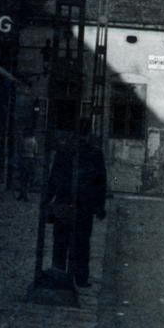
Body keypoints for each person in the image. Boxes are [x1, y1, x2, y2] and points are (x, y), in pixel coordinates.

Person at [43, 118, 108, 288]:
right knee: (82, 243)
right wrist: (100, 206)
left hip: (64, 202)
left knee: (60, 241)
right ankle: (80, 278)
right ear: (88, 133)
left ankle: (58, 274)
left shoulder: (63, 150)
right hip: (84, 206)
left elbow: (54, 178)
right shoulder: (95, 153)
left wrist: (47, 200)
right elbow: (100, 182)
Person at [16, 132, 40, 200]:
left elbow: (19, 150)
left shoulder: (22, 140)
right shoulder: (34, 141)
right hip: (30, 159)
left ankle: (22, 193)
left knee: (22, 177)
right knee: (27, 177)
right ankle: (25, 194)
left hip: (23, 159)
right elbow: (36, 152)